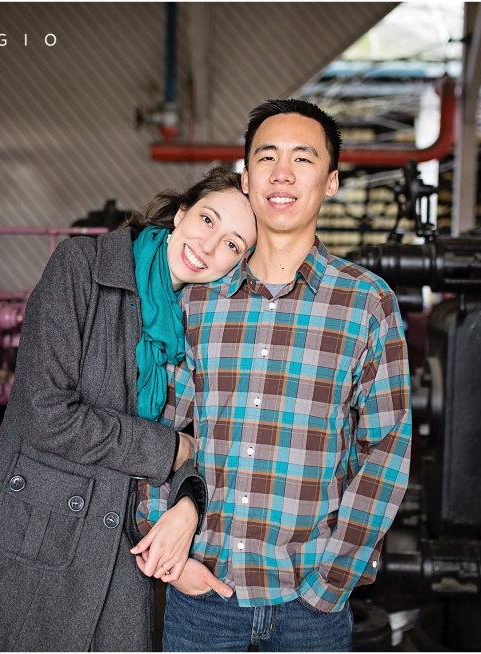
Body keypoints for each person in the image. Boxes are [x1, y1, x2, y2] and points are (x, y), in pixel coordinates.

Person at [0, 167, 257, 652]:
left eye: (233, 245)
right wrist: (169, 449)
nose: (211, 248)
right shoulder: (82, 266)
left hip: (123, 548)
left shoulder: (208, 321)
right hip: (34, 539)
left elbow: (209, 440)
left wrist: (188, 506)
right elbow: (48, 415)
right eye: (208, 220)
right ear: (183, 211)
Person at [138, 100, 412, 652]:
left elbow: (385, 449)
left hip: (310, 606)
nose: (282, 173)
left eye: (302, 158)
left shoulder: (366, 303)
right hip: (203, 598)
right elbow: (160, 426)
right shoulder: (196, 301)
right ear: (246, 176)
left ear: (331, 181)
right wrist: (168, 552)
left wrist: (331, 581)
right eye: (267, 156)